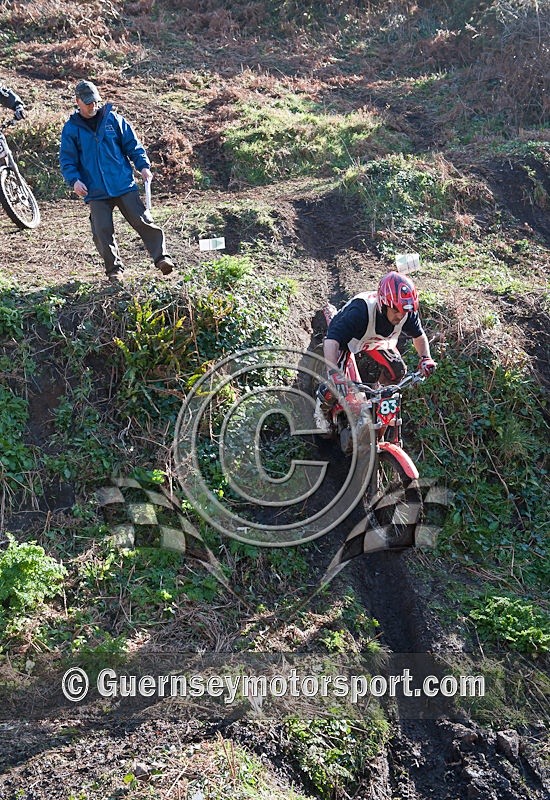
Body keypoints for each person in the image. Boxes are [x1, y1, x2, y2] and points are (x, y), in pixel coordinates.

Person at [59, 80, 174, 281]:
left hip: (122, 184)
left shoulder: (114, 120)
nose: (92, 106)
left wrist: (144, 167)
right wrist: (75, 181)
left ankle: (161, 258)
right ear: (78, 101)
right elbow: (67, 160)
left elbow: (133, 145)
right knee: (102, 231)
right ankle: (114, 271)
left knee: (143, 221)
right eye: (87, 103)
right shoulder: (71, 129)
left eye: (94, 101)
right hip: (95, 190)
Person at [323, 271, 437, 391]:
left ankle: (378, 398)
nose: (400, 316)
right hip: (348, 341)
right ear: (383, 304)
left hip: (375, 341)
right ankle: (319, 409)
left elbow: (419, 335)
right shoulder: (359, 312)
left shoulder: (407, 312)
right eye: (395, 311)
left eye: (403, 312)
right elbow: (331, 341)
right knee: (336, 389)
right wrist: (333, 373)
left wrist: (426, 358)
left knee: (397, 372)